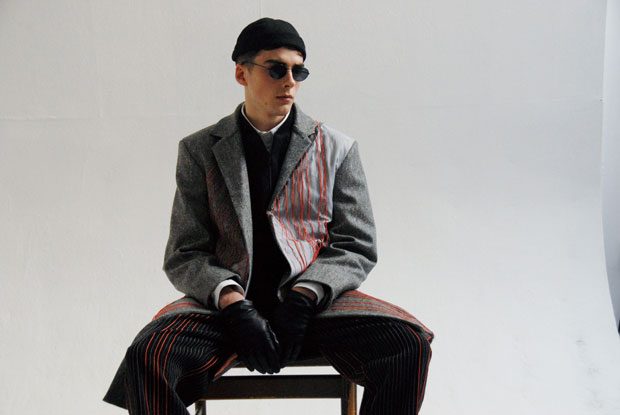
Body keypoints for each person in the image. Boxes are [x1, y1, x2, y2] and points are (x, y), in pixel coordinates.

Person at [104, 17, 434, 415]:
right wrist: (232, 303)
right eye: (277, 69)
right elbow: (185, 252)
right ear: (241, 73)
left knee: (407, 346)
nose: (290, 81)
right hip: (226, 313)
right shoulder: (199, 149)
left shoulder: (337, 148)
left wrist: (305, 296)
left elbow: (356, 245)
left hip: (314, 311)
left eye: (299, 71)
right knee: (148, 357)